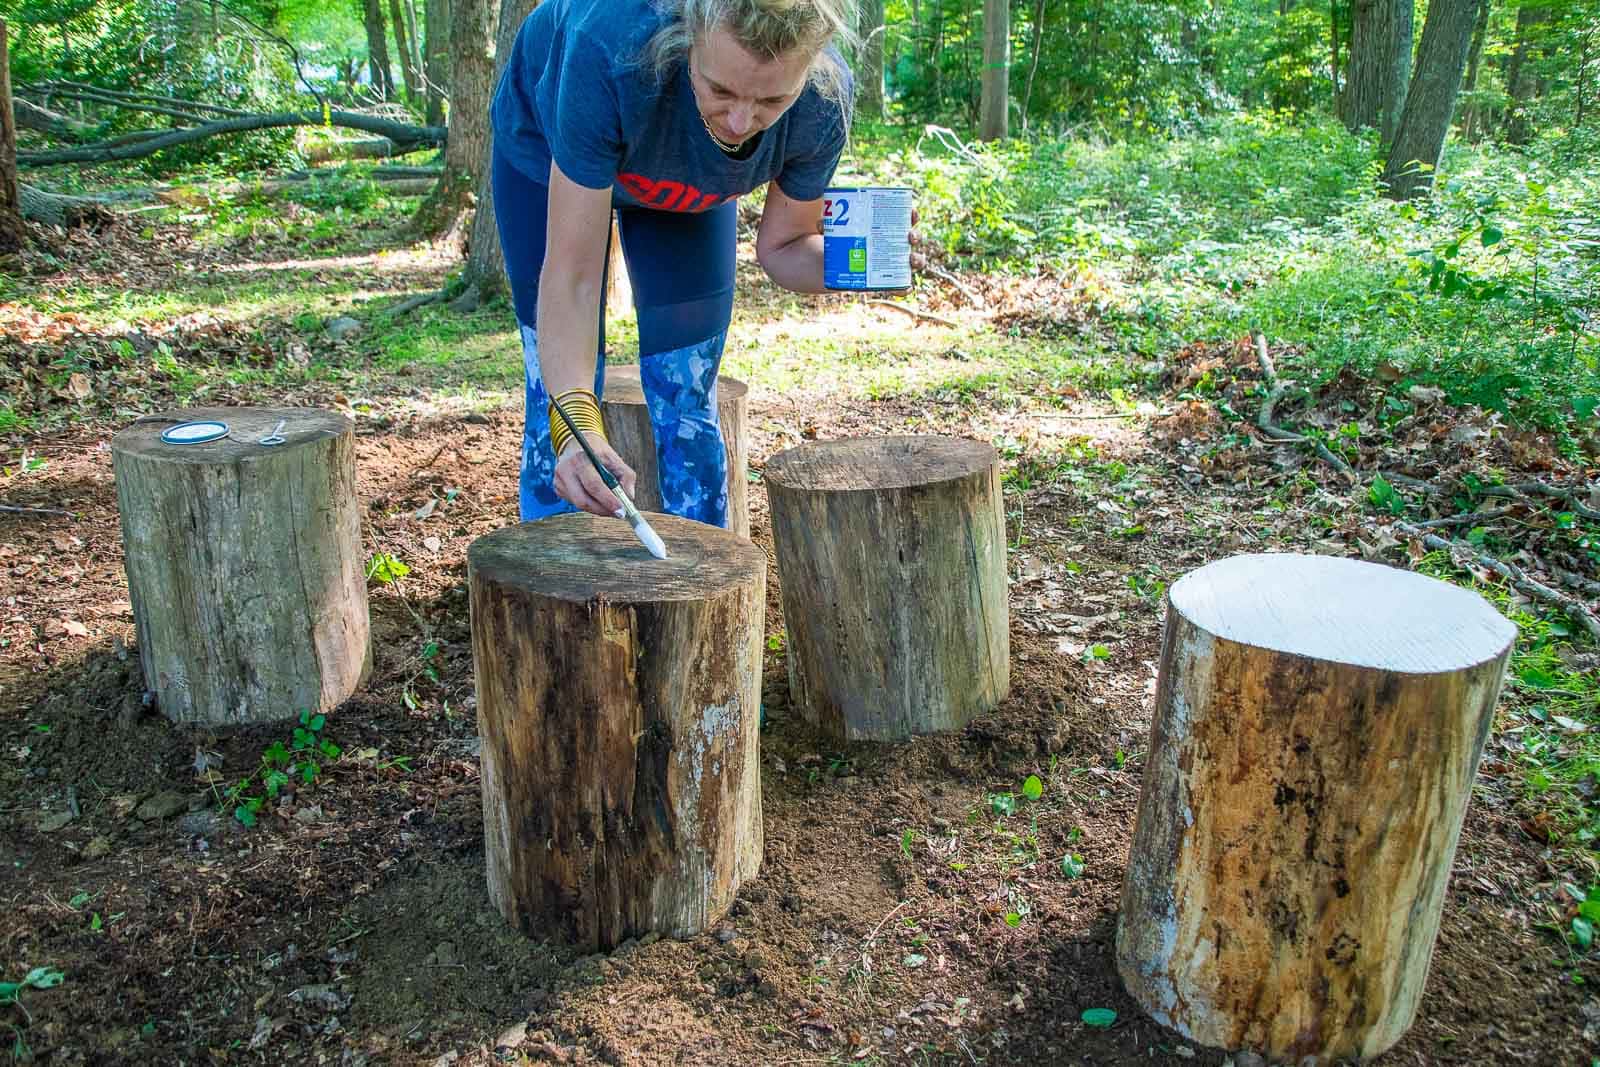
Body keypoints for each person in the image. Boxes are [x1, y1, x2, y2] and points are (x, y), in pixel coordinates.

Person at [489, 0, 858, 527]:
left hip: (685, 187)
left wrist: (867, 263)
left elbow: (785, 248)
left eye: (772, 100)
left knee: (686, 391)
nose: (740, 122)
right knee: (557, 412)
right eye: (721, 89)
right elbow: (571, 279)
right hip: (546, 150)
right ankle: (551, 583)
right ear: (688, 36)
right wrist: (577, 428)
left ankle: (708, 590)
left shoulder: (823, 100)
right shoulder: (609, 48)